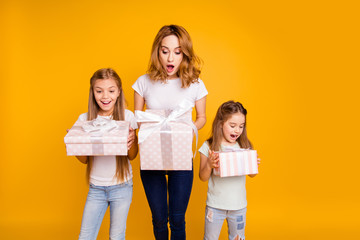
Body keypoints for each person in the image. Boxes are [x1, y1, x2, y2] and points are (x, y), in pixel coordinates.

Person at [132, 24, 208, 240]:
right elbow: (138, 118)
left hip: (182, 158)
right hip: (151, 158)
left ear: (185, 53)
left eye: (177, 52)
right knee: (158, 218)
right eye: (165, 51)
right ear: (157, 51)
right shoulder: (143, 82)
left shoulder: (195, 84)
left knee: (177, 219)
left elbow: (201, 118)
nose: (170, 59)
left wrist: (185, 128)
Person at [75, 68, 138, 240]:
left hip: (122, 186)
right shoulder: (84, 119)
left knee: (116, 236)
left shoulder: (128, 116)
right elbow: (84, 160)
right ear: (92, 92)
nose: (105, 96)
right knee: (85, 236)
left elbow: (132, 156)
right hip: (96, 188)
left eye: (111, 91)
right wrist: (78, 144)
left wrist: (132, 139)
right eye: (99, 91)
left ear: (118, 92)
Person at [198, 101, 260, 240]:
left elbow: (252, 174)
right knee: (210, 238)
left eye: (241, 126)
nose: (237, 130)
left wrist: (253, 164)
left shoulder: (244, 145)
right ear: (220, 124)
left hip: (238, 206)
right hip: (215, 206)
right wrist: (209, 165)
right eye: (232, 126)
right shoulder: (208, 146)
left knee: (238, 237)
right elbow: (202, 177)